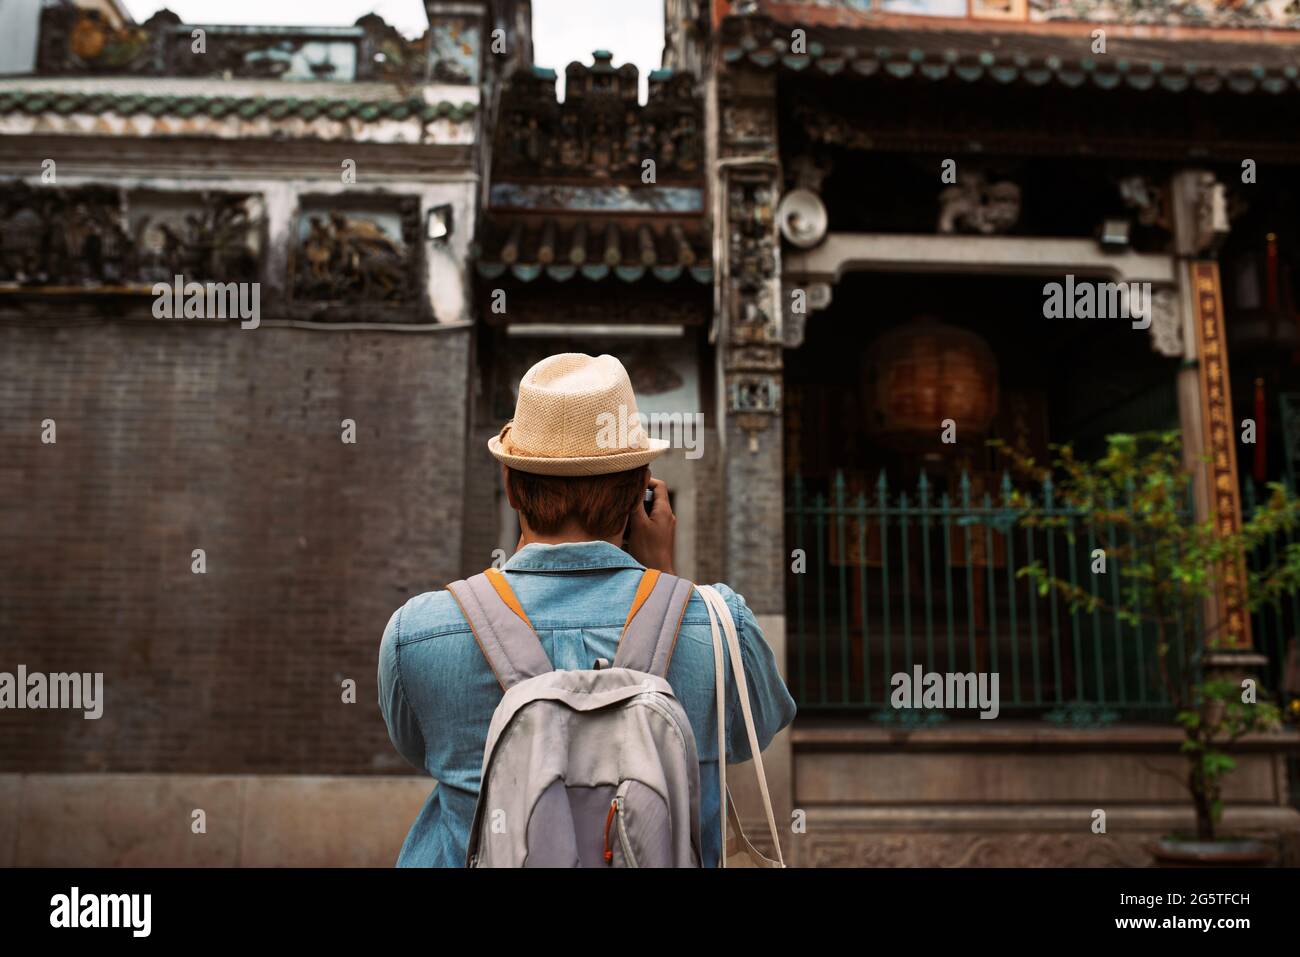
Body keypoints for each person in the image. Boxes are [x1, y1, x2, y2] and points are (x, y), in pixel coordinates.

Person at [377, 352, 796, 866]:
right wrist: (666, 582)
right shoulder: (719, 623)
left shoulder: (420, 632)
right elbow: (752, 732)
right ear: (640, 490)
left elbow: (421, 746)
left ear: (510, 486)